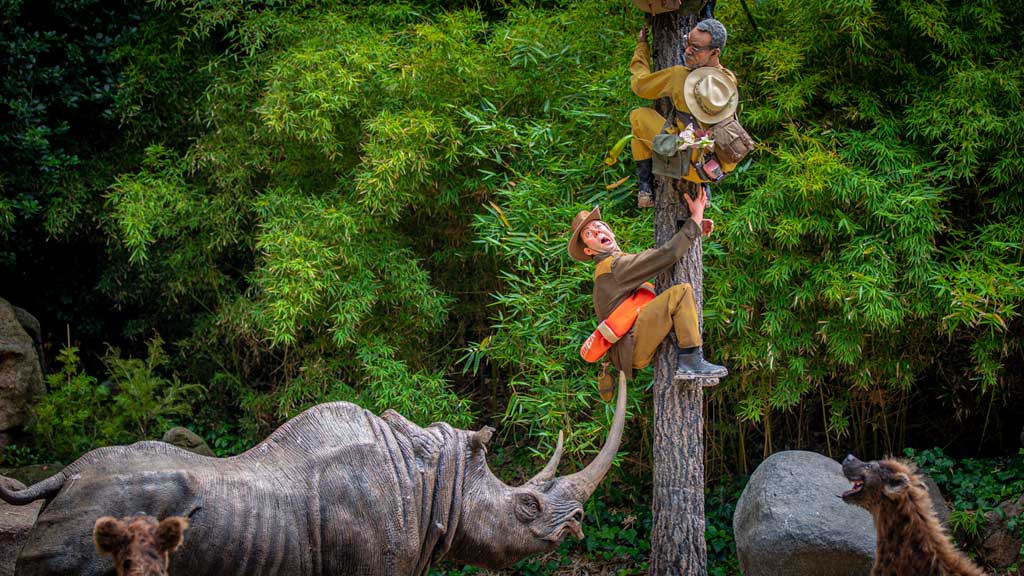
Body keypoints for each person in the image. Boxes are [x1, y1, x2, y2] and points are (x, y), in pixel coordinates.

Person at [568, 188, 727, 384]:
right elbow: (665, 255)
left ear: (610, 231)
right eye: (589, 233)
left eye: (600, 226)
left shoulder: (613, 264)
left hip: (631, 345)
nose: (598, 231)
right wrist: (694, 219)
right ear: (588, 250)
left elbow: (655, 257)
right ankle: (690, 361)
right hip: (632, 346)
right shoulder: (614, 266)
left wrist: (693, 229)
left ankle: (690, 362)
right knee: (680, 293)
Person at [629, 18, 738, 208]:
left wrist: (641, 48)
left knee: (638, 117)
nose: (687, 50)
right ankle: (705, 187)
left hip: (687, 164)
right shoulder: (728, 80)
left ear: (714, 52)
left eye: (696, 48)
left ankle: (645, 189)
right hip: (716, 169)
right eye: (687, 42)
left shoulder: (680, 76)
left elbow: (640, 86)